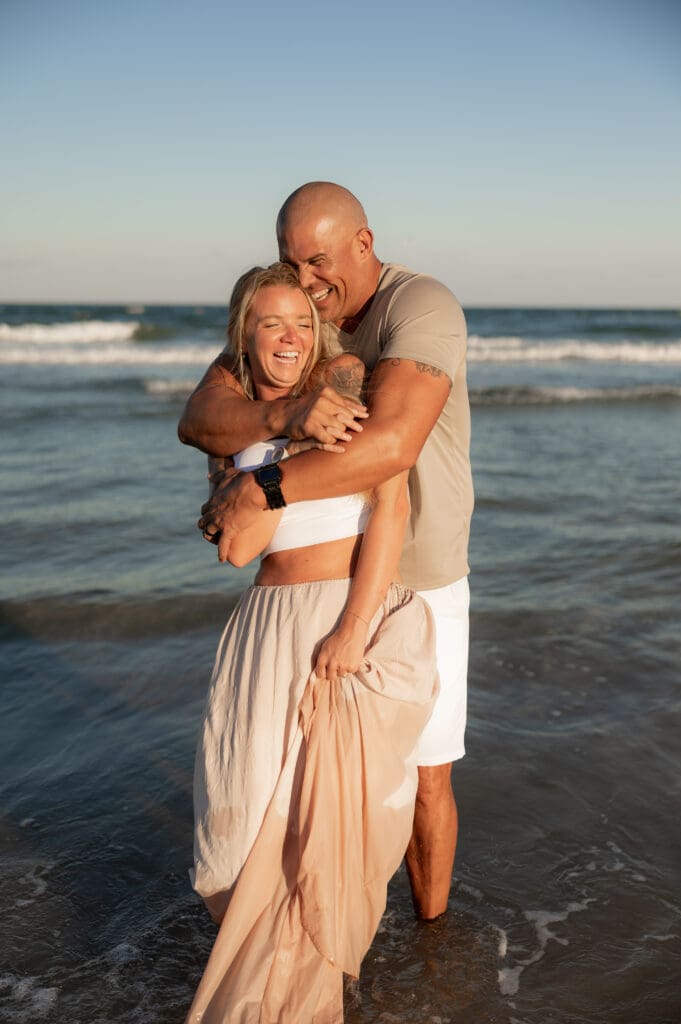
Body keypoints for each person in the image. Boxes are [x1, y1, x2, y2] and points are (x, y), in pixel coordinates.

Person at [179, 182, 474, 921]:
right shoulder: (295, 318)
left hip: (422, 576)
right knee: (307, 784)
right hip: (326, 575)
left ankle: (431, 942)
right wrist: (282, 412)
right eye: (290, 262)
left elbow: (388, 447)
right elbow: (202, 413)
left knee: (420, 778)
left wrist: (261, 490)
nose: (306, 283)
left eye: (317, 262)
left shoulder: (421, 306)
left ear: (362, 245)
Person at [187, 262, 438, 1022]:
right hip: (263, 631)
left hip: (341, 617)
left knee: (324, 838)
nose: (289, 338)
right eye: (271, 324)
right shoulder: (231, 422)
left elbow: (389, 509)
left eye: (301, 322)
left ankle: (299, 1004)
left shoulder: (349, 394)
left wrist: (354, 629)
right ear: (245, 336)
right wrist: (282, 434)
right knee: (230, 846)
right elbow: (234, 549)